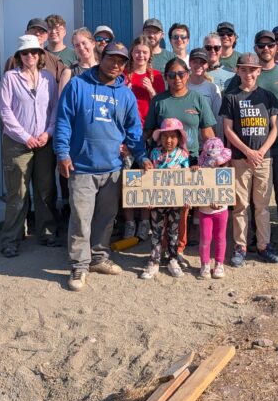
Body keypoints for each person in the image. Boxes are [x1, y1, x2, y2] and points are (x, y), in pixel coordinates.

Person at [54, 41, 149, 291]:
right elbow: (63, 121)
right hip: (82, 166)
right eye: (111, 59)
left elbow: (133, 130)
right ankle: (79, 265)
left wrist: (142, 156)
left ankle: (98, 257)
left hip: (112, 168)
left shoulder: (125, 94)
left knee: (106, 218)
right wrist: (62, 153)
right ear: (101, 57)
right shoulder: (78, 85)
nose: (115, 64)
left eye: (121, 61)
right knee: (80, 218)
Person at [223, 30, 278, 260]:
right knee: (248, 199)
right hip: (246, 148)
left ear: (277, 47)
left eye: (270, 45)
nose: (266, 49)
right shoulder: (241, 77)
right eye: (261, 45)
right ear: (255, 48)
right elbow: (231, 115)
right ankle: (251, 242)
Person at [145, 57, 217, 264]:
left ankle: (178, 250)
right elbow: (148, 132)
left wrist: (215, 156)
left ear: (187, 75)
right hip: (162, 162)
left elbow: (208, 132)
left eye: (181, 74)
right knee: (160, 207)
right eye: (172, 75)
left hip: (189, 161)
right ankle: (161, 248)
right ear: (166, 77)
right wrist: (139, 153)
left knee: (182, 208)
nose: (177, 78)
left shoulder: (198, 99)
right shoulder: (159, 101)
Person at [0, 35, 59, 256]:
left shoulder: (48, 78)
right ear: (19, 56)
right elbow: (5, 111)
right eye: (25, 53)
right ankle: (11, 239)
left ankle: (47, 233)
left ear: (40, 55)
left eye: (34, 52)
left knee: (45, 190)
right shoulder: (10, 78)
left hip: (44, 142)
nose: (30, 56)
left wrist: (48, 132)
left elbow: (55, 108)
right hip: (17, 143)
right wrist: (25, 136)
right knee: (18, 192)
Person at [221, 52, 278, 266]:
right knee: (240, 205)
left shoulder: (267, 96)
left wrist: (261, 151)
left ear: (259, 71)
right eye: (244, 69)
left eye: (253, 70)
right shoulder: (231, 97)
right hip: (241, 158)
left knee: (262, 205)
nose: (248, 74)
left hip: (264, 159)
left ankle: (264, 246)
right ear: (238, 70)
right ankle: (240, 247)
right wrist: (248, 152)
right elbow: (228, 129)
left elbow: (275, 128)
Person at [140, 118, 191, 279]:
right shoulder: (154, 153)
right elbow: (149, 178)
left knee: (173, 232)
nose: (169, 140)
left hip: (176, 202)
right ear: (160, 138)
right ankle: (154, 261)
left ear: (179, 138)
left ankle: (173, 260)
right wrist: (148, 198)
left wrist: (186, 197)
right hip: (157, 202)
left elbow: (187, 178)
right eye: (165, 136)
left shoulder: (183, 155)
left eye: (173, 137)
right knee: (156, 231)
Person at [124, 36, 163, 240]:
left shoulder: (156, 76)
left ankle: (145, 221)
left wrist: (151, 91)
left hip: (149, 134)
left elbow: (162, 106)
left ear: (150, 55)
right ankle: (130, 222)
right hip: (127, 135)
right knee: (128, 179)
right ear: (132, 53)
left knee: (146, 178)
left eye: (144, 52)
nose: (140, 55)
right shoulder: (123, 75)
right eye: (137, 51)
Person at [197, 136, 231, 280]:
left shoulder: (226, 173)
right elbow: (196, 190)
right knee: (205, 238)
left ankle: (219, 263)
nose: (216, 165)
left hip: (221, 210)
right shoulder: (200, 172)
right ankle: (205, 264)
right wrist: (195, 170)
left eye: (219, 163)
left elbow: (228, 192)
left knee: (220, 237)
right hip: (205, 211)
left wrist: (220, 201)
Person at [187, 47, 223, 142]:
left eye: (202, 62)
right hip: (186, 144)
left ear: (207, 65)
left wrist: (219, 143)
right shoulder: (183, 87)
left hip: (207, 144)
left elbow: (218, 118)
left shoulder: (213, 88)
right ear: (189, 63)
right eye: (195, 62)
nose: (198, 65)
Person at [24, 17, 68, 86]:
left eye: (41, 31)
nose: (37, 33)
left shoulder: (56, 62)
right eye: (33, 29)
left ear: (47, 36)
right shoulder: (13, 60)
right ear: (26, 33)